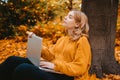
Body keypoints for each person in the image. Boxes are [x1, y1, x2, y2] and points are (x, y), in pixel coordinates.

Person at [0, 9, 99, 80]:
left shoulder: (82, 41)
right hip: (54, 71)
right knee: (13, 60)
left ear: (77, 24)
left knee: (23, 69)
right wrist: (35, 42)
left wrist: (55, 66)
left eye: (70, 17)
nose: (65, 17)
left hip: (67, 76)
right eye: (66, 15)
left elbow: (79, 68)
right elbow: (50, 55)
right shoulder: (62, 39)